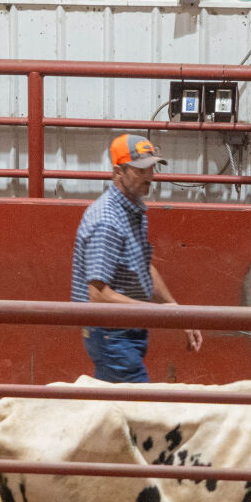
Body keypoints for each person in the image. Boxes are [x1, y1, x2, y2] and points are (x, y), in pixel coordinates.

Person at [70, 133, 203, 383]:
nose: (149, 176)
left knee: (121, 411)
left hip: (123, 333)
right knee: (141, 410)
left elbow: (142, 267)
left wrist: (175, 310)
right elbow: (98, 296)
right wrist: (162, 313)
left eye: (151, 167)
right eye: (140, 170)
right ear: (118, 172)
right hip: (112, 335)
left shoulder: (132, 210)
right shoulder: (107, 221)